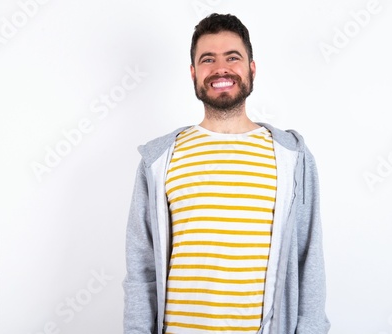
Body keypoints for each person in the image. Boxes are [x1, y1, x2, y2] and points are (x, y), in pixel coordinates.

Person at [123, 13, 330, 334]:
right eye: (208, 59)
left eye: (233, 57)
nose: (220, 68)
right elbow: (141, 269)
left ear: (252, 68)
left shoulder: (292, 157)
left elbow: (308, 259)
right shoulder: (158, 158)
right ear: (193, 73)